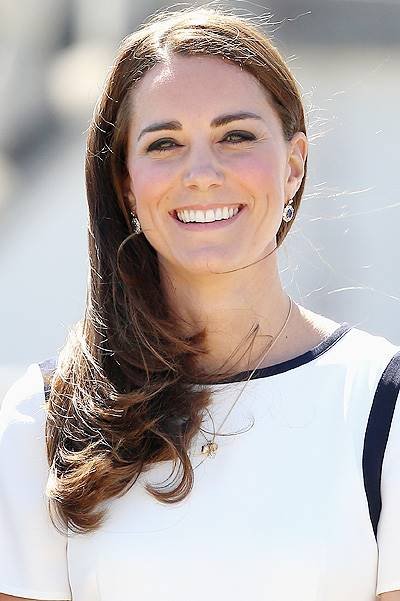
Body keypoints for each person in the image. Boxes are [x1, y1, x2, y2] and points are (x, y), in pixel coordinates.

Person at [0, 5, 399, 601]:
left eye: (235, 136)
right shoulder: (46, 418)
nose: (202, 172)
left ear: (293, 165)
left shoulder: (381, 404)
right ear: (126, 183)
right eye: (164, 144)